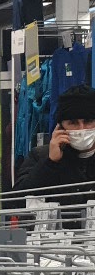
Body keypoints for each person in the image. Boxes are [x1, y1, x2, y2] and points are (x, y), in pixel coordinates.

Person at [12, 86, 95, 225]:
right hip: (55, 238)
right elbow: (15, 202)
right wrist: (50, 163)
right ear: (60, 127)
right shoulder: (40, 156)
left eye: (88, 121)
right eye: (73, 123)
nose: (82, 129)